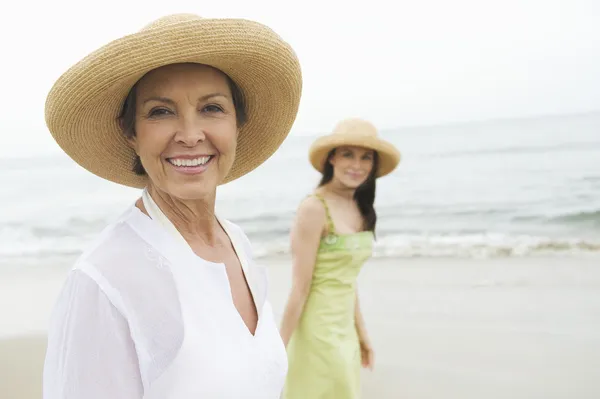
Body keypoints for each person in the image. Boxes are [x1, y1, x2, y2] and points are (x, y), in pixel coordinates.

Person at [42, 13, 302, 399]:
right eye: (160, 112)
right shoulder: (105, 281)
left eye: (212, 108)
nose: (191, 135)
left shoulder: (237, 243)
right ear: (131, 132)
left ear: (237, 124)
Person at [279, 118, 401, 398]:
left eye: (365, 157)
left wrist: (362, 333)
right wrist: (278, 348)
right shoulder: (314, 208)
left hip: (344, 326)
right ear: (332, 158)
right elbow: (299, 287)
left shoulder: (360, 208)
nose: (356, 165)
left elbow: (347, 280)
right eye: (348, 154)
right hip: (317, 329)